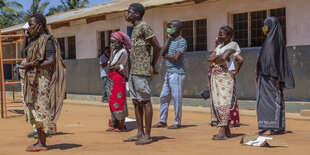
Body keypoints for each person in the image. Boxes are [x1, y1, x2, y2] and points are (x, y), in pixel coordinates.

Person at [18, 14, 66, 152]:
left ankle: (43, 143)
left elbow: (52, 60)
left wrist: (31, 66)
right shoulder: (34, 40)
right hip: (31, 81)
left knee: (41, 110)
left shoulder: (47, 40)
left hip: (41, 81)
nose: (29, 27)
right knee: (34, 111)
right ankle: (39, 141)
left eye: (31, 25)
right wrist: (25, 38)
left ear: (40, 25)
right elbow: (23, 54)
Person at [124, 3, 161, 145]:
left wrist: (152, 64)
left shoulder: (144, 26)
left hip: (142, 70)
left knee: (145, 101)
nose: (127, 14)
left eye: (130, 12)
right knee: (136, 102)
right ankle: (139, 133)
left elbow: (157, 47)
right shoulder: (134, 29)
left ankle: (147, 135)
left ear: (137, 14)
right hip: (133, 70)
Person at [256, 17, 295, 135]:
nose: (264, 27)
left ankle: (269, 127)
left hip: (270, 76)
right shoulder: (271, 40)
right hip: (267, 75)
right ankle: (278, 127)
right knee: (272, 101)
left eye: (265, 25)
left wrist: (277, 76)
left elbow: (273, 61)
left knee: (269, 101)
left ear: (271, 26)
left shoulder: (273, 41)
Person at [207, 26, 244, 140]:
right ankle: (227, 131)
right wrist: (217, 58)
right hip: (216, 77)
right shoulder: (219, 46)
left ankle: (222, 131)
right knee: (217, 103)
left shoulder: (232, 45)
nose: (219, 36)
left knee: (224, 102)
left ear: (229, 36)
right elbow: (209, 58)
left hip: (225, 77)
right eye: (219, 34)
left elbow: (224, 57)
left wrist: (235, 71)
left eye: (222, 35)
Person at [152, 20, 187, 129]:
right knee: (163, 97)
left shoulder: (182, 41)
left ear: (177, 29)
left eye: (170, 27)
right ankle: (163, 121)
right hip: (169, 73)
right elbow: (162, 52)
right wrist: (168, 38)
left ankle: (177, 122)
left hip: (177, 73)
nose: (168, 29)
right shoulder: (171, 40)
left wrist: (165, 55)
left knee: (177, 98)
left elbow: (176, 58)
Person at [105, 31, 130, 132]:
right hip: (111, 78)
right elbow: (109, 66)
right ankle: (115, 124)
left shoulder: (123, 52)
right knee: (112, 100)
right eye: (111, 42)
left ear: (119, 42)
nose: (112, 44)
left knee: (119, 100)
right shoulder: (115, 52)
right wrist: (111, 52)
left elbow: (117, 66)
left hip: (118, 79)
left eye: (113, 42)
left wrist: (113, 67)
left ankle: (122, 125)